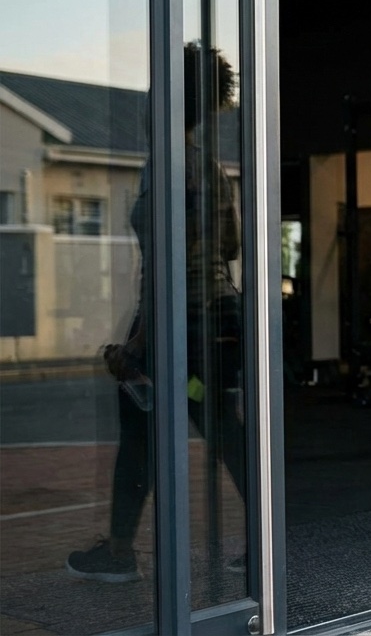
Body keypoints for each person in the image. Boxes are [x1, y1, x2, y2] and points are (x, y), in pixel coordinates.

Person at [66, 43, 247, 582]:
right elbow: (230, 246)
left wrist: (140, 343)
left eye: (152, 94)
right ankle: (268, 536)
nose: (145, 104)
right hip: (216, 316)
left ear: (165, 102)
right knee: (224, 430)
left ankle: (119, 554)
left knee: (140, 433)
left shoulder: (168, 166)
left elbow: (170, 260)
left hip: (180, 321)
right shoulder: (207, 166)